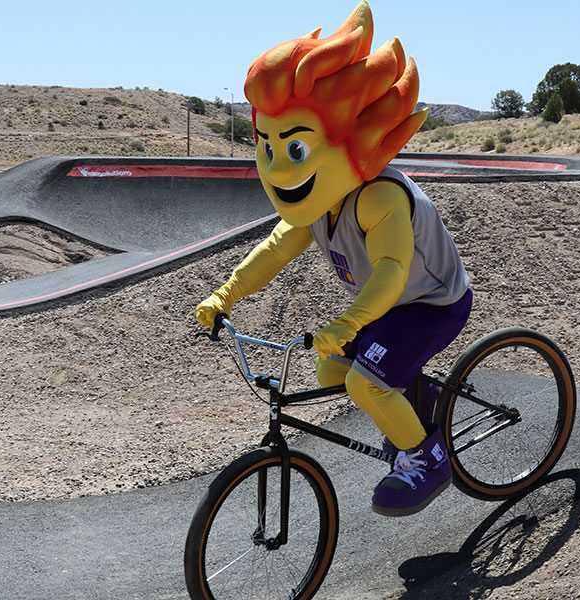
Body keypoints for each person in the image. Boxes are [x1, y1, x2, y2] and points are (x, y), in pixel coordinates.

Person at [195, 1, 471, 517]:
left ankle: (427, 458)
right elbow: (276, 248)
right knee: (329, 371)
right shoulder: (318, 202)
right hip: (387, 309)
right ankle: (413, 404)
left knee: (363, 382)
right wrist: (225, 293)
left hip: (431, 303)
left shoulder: (377, 198)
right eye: (268, 147)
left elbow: (390, 274)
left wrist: (346, 323)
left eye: (295, 149)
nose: (278, 166)